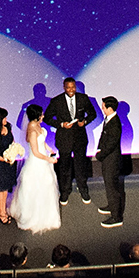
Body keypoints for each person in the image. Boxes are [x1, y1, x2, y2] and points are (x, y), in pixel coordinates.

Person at [44, 77, 97, 204]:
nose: (71, 90)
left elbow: (93, 114)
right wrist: (61, 124)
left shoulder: (83, 98)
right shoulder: (57, 101)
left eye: (73, 87)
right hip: (64, 138)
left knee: (80, 166)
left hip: (80, 138)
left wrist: (84, 122)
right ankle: (65, 191)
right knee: (64, 167)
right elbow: (47, 118)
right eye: (68, 87)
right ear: (64, 87)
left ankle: (83, 189)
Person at [9, 104, 61, 232]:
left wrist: (50, 149)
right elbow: (36, 152)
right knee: (35, 189)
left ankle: (49, 216)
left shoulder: (38, 126)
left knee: (47, 187)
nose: (43, 116)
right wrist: (49, 159)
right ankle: (32, 217)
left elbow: (42, 142)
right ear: (36, 116)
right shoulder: (31, 131)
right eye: (41, 114)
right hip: (37, 162)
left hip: (44, 160)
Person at [95, 96, 124, 227]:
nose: (102, 108)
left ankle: (116, 217)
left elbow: (111, 143)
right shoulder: (109, 120)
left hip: (111, 159)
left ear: (110, 108)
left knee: (112, 187)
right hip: (107, 158)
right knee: (109, 185)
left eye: (103, 106)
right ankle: (112, 206)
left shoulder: (115, 124)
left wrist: (101, 155)